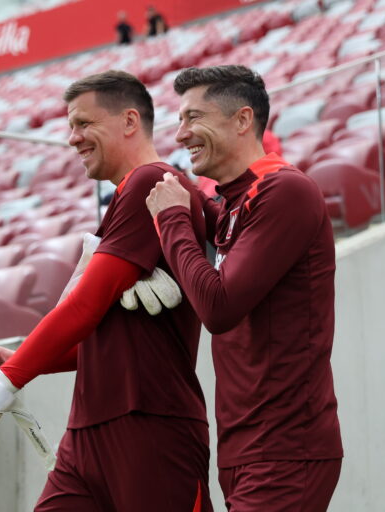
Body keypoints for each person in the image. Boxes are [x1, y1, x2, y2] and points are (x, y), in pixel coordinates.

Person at [0, 70, 214, 512]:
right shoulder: (130, 197)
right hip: (90, 433)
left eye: (83, 123)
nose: (72, 138)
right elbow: (105, 334)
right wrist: (29, 357)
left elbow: (85, 307)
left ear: (130, 121)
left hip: (150, 425)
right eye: (71, 126)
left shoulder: (153, 183)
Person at [145, 65, 343, 511]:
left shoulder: (285, 190)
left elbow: (218, 307)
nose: (180, 135)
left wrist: (173, 218)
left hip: (285, 449)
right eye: (178, 120)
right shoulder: (235, 204)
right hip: (247, 451)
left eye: (193, 118)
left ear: (241, 120)